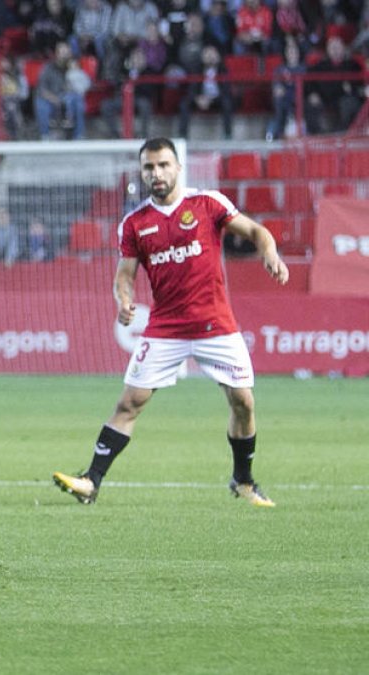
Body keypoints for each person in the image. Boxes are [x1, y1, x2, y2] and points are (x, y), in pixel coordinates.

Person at [52, 137, 289, 508]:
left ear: (178, 167)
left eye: (163, 165)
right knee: (130, 402)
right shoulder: (135, 223)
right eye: (149, 167)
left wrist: (271, 254)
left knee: (243, 401)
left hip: (216, 326)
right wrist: (125, 300)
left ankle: (243, 481)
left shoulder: (208, 204)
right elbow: (124, 276)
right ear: (142, 172)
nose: (156, 173)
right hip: (166, 329)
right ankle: (90, 481)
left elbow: (257, 231)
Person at [34, 41, 86, 140]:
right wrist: (53, 99)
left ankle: (79, 136)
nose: (64, 56)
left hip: (68, 98)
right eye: (62, 53)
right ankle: (45, 136)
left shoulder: (74, 67)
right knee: (40, 103)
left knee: (78, 101)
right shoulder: (47, 68)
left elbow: (82, 84)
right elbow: (41, 88)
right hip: (50, 97)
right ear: (56, 54)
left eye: (66, 53)